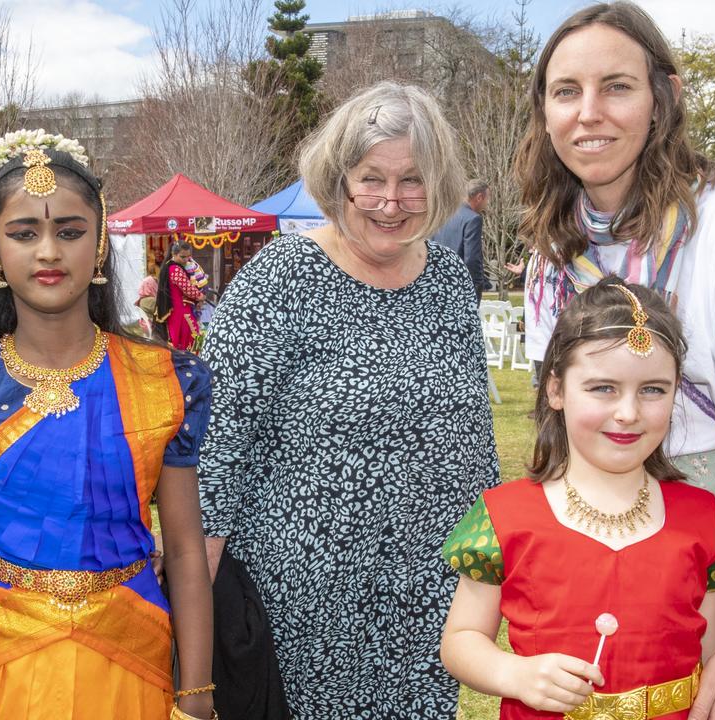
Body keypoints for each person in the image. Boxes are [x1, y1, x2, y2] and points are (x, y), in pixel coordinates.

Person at [514, 4, 715, 717]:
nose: (590, 113)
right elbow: (560, 435)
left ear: (663, 98)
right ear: (545, 112)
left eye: (616, 86)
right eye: (566, 91)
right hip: (601, 524)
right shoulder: (550, 260)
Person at [199, 81, 500, 716]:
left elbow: (473, 438)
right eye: (371, 179)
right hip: (304, 598)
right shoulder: (283, 276)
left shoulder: (446, 279)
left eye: (412, 180)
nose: (391, 201)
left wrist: (490, 563)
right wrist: (196, 605)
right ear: (339, 181)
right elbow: (217, 449)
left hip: (427, 592)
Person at [0, 130, 215, 720]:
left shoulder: (166, 380)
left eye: (70, 231)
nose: (48, 251)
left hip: (132, 658)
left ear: (100, 244)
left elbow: (182, 550)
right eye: (24, 233)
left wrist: (196, 698)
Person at [441, 278, 715, 719]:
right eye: (603, 388)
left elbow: (712, 651)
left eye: (653, 389)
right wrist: (514, 674)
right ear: (556, 389)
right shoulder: (503, 517)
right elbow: (461, 641)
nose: (628, 412)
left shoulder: (704, 518)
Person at [433, 179, 489, 303]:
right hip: (461, 287)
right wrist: (477, 284)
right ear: (479, 197)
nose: (487, 203)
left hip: (438, 284)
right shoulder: (473, 219)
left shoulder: (442, 216)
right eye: (487, 199)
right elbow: (472, 258)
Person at [155, 240, 203, 351]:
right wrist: (200, 296)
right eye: (183, 257)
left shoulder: (170, 267)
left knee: (181, 339)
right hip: (180, 310)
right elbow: (187, 288)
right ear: (174, 254)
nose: (186, 260)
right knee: (190, 337)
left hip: (177, 309)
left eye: (188, 257)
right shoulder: (175, 269)